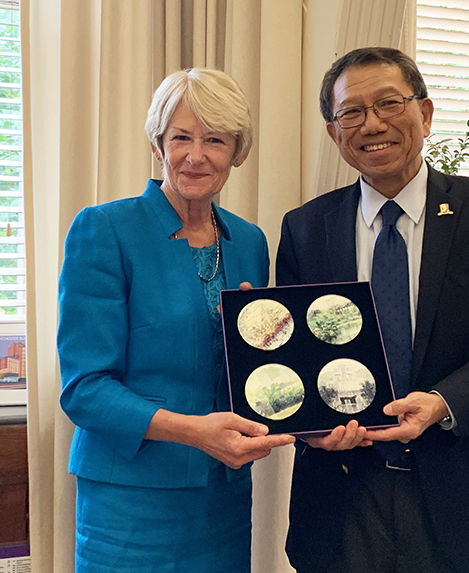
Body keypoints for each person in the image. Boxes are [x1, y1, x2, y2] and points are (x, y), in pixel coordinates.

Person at [276, 47, 469, 573]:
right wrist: (305, 423)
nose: (372, 124)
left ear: (424, 114)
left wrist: (441, 402)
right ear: (335, 133)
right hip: (342, 502)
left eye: (388, 103)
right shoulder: (304, 228)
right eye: (351, 113)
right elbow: (295, 358)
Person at [57, 68, 295, 573]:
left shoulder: (250, 242)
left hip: (223, 495)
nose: (195, 155)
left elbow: (253, 375)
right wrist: (194, 432)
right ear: (157, 143)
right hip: (130, 499)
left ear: (238, 152)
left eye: (215, 140)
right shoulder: (104, 230)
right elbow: (85, 388)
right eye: (181, 137)